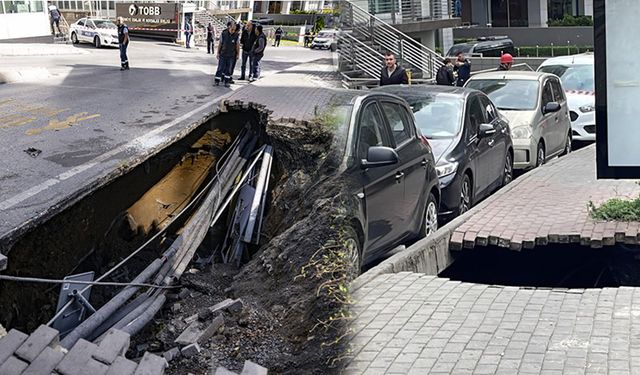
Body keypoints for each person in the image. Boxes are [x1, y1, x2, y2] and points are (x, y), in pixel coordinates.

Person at [215, 21, 239, 87]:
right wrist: (218, 53)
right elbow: (220, 44)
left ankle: (226, 82)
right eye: (232, 29)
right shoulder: (224, 34)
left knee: (229, 69)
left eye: (234, 30)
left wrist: (237, 54)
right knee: (220, 68)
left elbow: (237, 45)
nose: (233, 31)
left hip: (231, 55)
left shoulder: (236, 35)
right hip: (223, 54)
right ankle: (217, 80)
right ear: (229, 27)